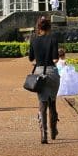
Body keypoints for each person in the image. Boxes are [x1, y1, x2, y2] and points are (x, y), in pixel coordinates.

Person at [28, 16, 60, 144]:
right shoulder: (53, 39)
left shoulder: (34, 40)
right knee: (52, 103)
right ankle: (53, 130)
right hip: (52, 72)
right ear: (49, 27)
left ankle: (43, 135)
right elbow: (55, 59)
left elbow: (31, 58)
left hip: (39, 73)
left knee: (42, 104)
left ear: (38, 27)